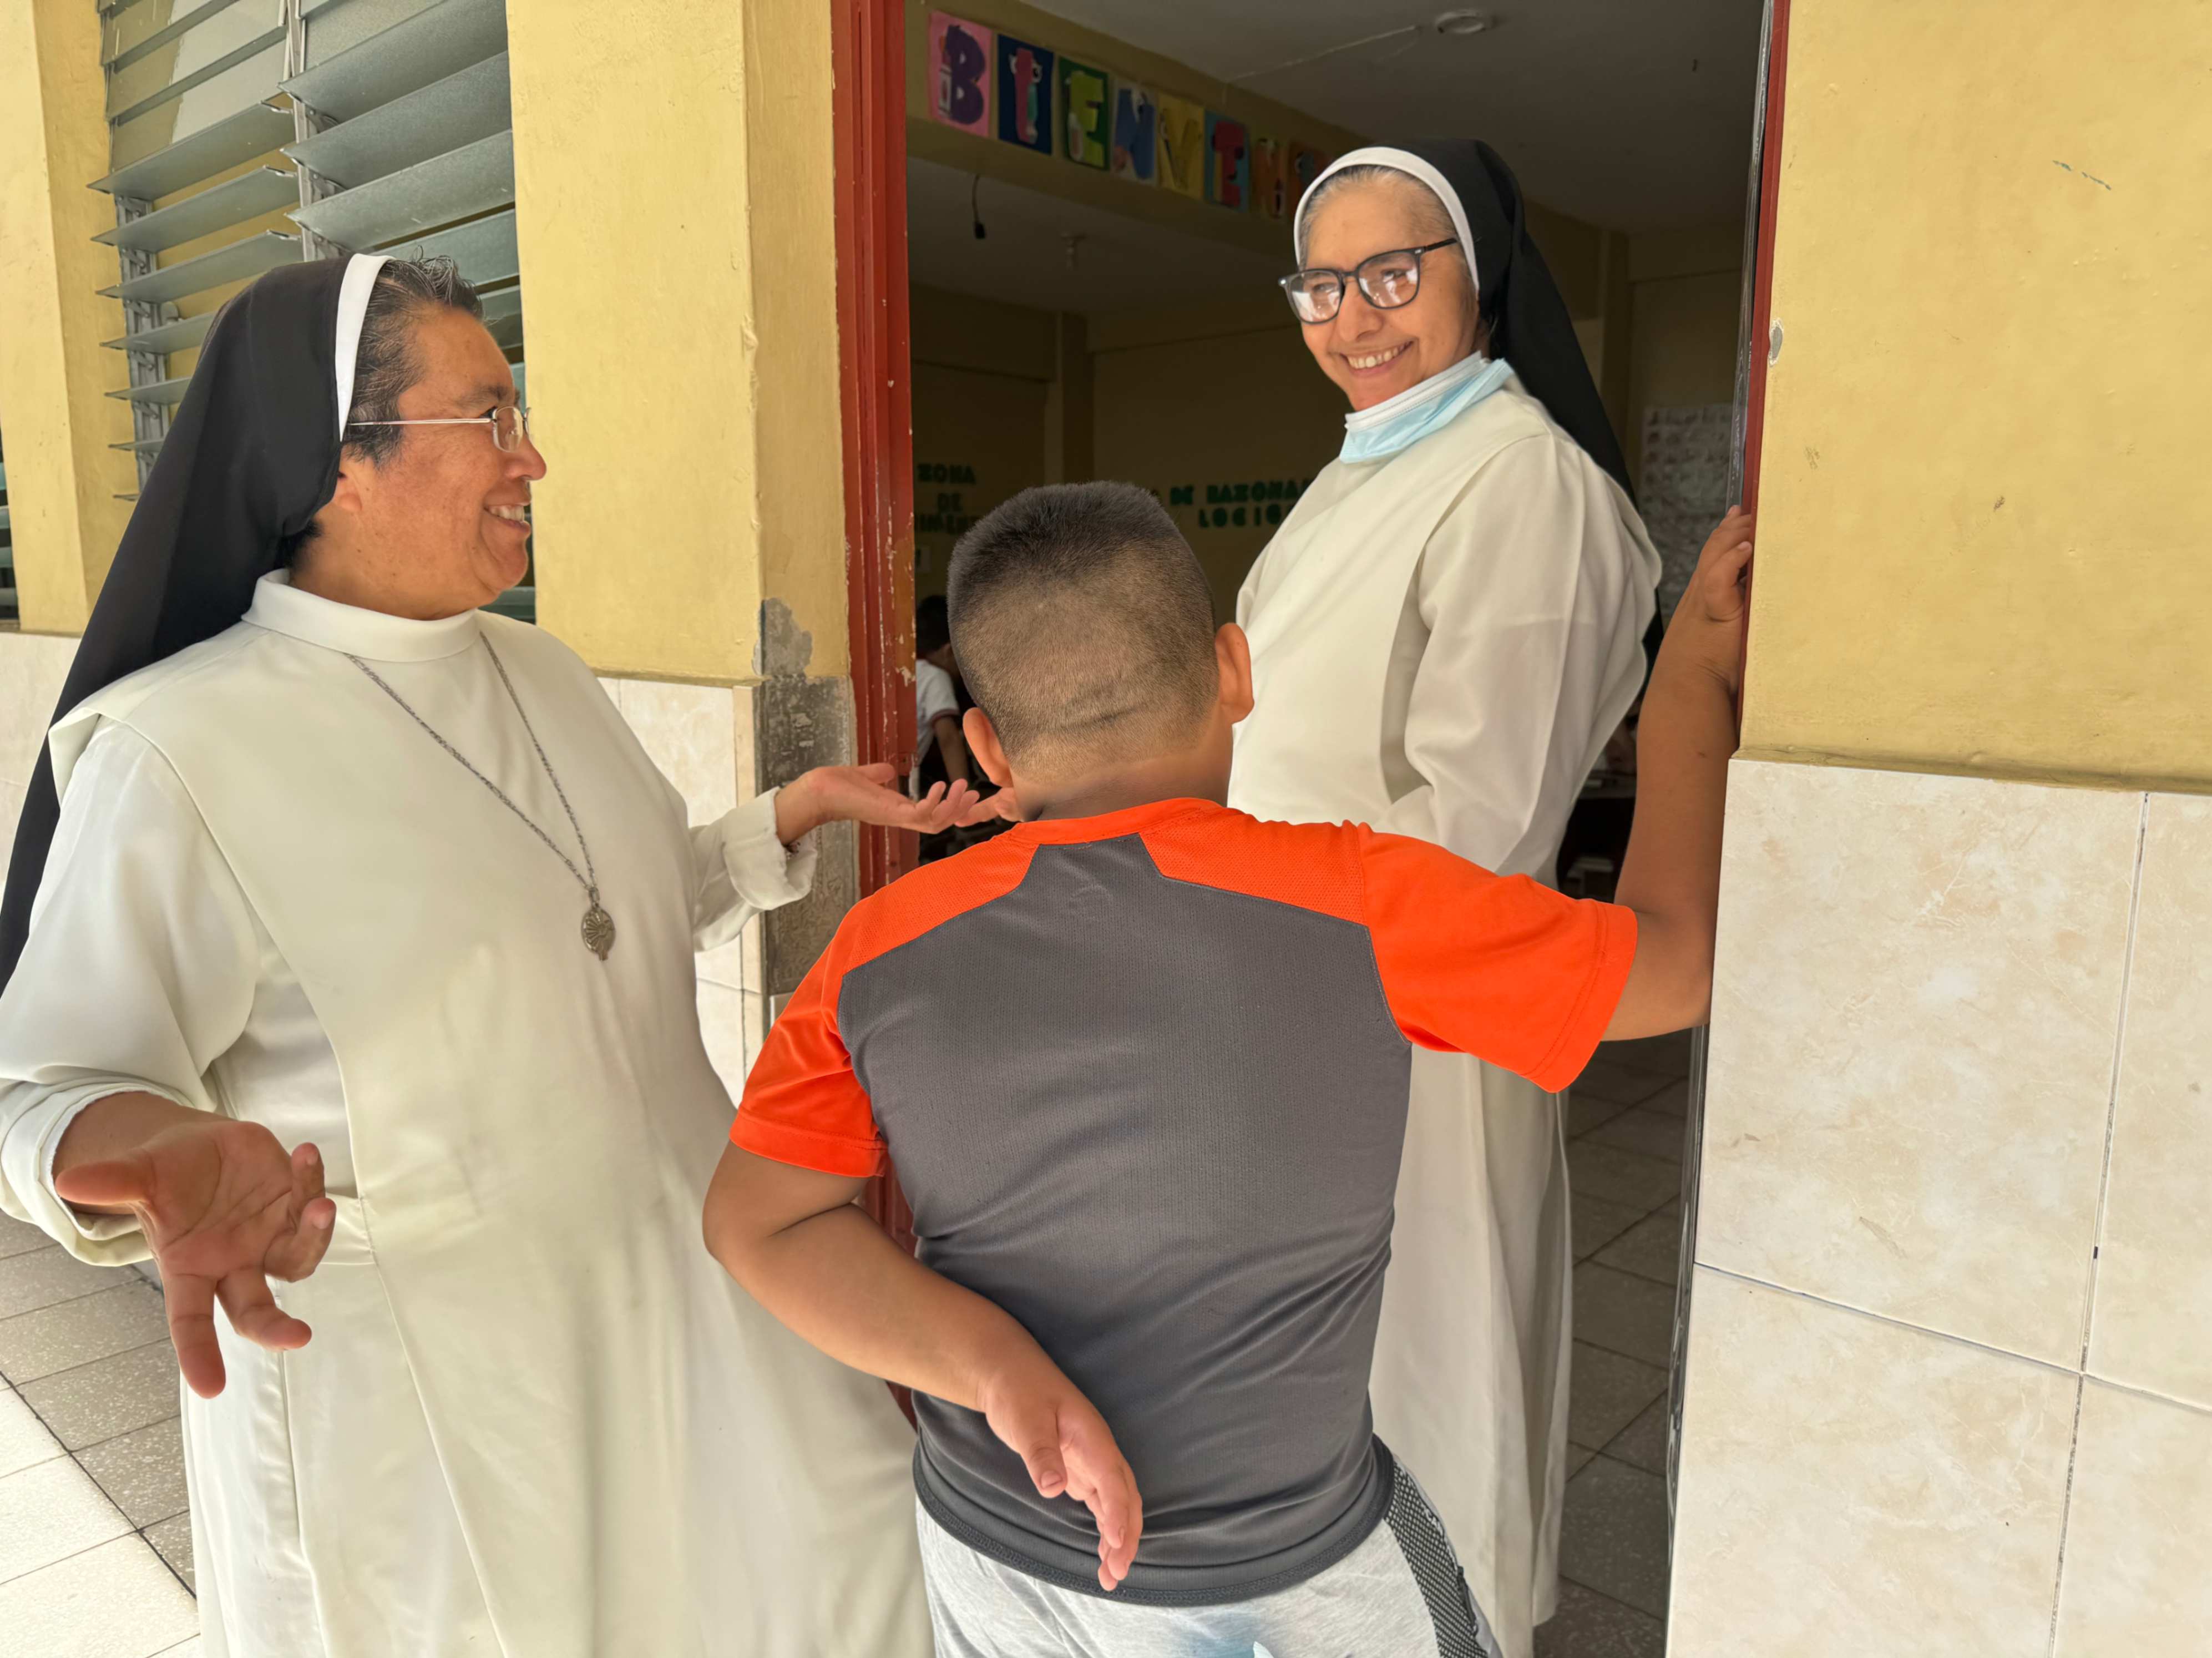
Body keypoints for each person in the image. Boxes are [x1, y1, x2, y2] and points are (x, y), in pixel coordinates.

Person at [0, 255, 972, 1657]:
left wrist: (771, 827)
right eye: (488, 419)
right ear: (340, 462)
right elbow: (38, 1083)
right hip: (434, 1410)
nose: (533, 458)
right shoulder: (180, 749)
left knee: (846, 1579)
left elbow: (584, 923)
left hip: (691, 1318)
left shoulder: (543, 672)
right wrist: (149, 1143)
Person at [702, 482, 1751, 1657]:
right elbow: (1673, 968)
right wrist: (1687, 679)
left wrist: (996, 1370)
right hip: (1286, 1576)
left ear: (987, 746)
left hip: (993, 1549)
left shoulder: (876, 952)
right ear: (1235, 673)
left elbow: (758, 1224)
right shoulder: (1364, 901)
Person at [1230, 141, 1664, 1655]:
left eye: (1392, 273)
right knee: (1326, 1376)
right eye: (1321, 282)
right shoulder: (1361, 476)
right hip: (1295, 1001)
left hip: (1418, 1018)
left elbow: (1476, 825)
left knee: (1425, 1372)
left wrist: (1250, 919)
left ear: (1475, 274)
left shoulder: (1524, 485)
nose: (1354, 316)